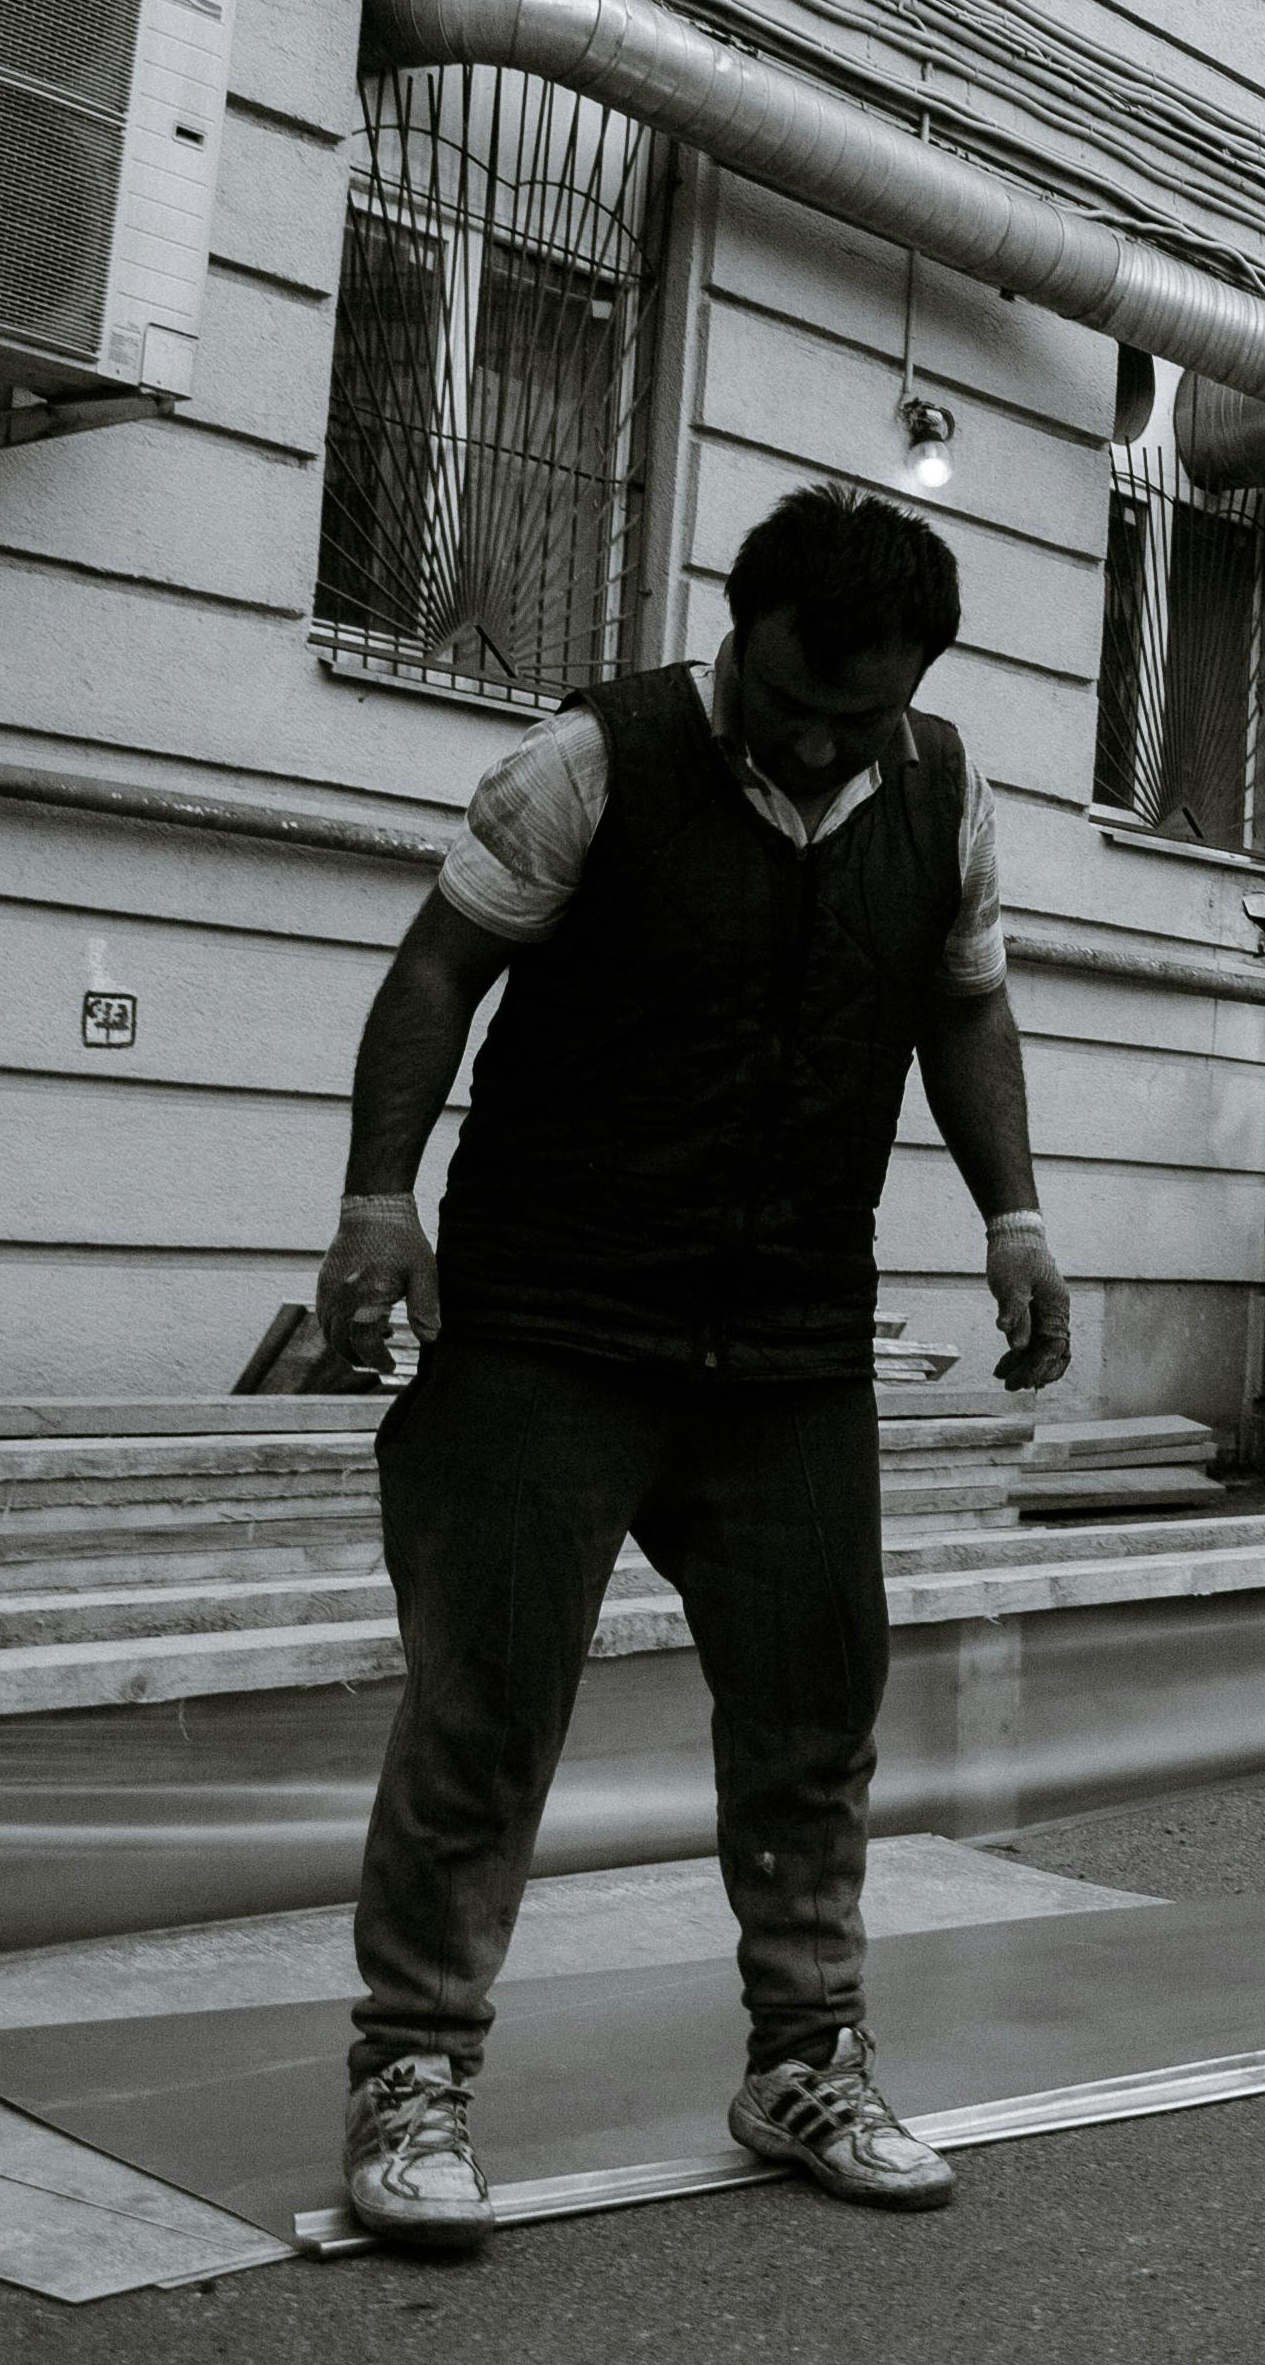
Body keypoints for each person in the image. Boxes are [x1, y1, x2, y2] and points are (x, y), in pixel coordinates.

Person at [311, 482, 1071, 2249]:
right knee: (484, 1715)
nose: (815, 741)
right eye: (791, 700)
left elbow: (963, 1004)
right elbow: (439, 966)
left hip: (791, 1337)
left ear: (911, 687)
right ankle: (411, 2067)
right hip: (552, 1321)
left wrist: (1015, 1215)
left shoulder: (943, 790)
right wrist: (374, 1197)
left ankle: (802, 2054)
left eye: (854, 717)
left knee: (814, 1721)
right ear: (738, 634)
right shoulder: (590, 758)